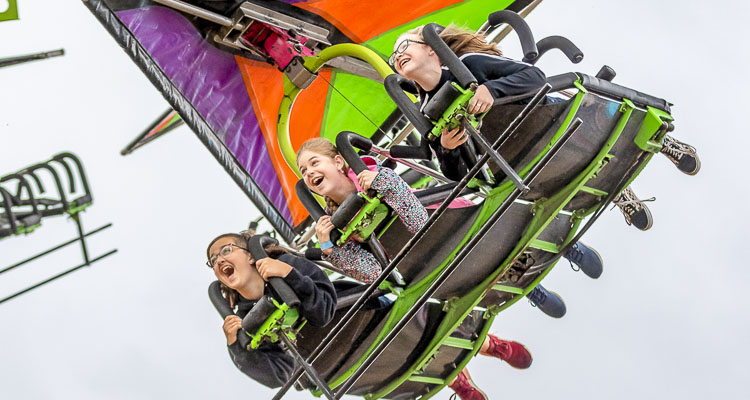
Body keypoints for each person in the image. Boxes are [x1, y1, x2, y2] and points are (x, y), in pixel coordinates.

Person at [389, 25, 700, 232]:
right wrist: (449, 146)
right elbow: (452, 170)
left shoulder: (470, 64)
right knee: (553, 172)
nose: (397, 55)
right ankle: (615, 190)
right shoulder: (425, 112)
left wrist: (491, 91)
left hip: (545, 116)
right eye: (392, 56)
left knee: (591, 106)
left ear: (432, 48)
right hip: (513, 154)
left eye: (404, 45)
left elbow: (534, 77)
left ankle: (660, 141)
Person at [207, 230, 337, 388]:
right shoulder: (245, 321)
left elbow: (323, 312)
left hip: (350, 317)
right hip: (320, 365)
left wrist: (289, 274)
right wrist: (236, 346)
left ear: (250, 255)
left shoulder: (287, 263)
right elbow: (278, 376)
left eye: (226, 250)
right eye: (213, 260)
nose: (219, 260)